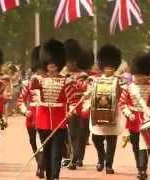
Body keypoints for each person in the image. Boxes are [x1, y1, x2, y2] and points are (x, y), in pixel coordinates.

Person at [30, 39, 75, 180]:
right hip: (43, 120)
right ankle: (49, 176)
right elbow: (32, 95)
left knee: (56, 152)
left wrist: (71, 110)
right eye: (49, 63)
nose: (51, 66)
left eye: (54, 63)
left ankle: (55, 176)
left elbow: (72, 99)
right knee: (47, 151)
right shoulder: (39, 80)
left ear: (58, 64)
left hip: (59, 120)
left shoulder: (66, 80)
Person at [82, 44, 124, 174]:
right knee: (96, 138)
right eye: (106, 67)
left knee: (111, 139)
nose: (109, 69)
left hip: (113, 113)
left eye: (111, 67)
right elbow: (89, 93)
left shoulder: (120, 81)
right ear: (102, 67)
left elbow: (124, 94)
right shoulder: (95, 80)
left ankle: (109, 164)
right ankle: (101, 157)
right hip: (97, 113)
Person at [119, 50, 150, 180]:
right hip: (133, 120)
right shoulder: (128, 88)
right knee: (136, 145)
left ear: (146, 75)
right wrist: (128, 113)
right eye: (137, 75)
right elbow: (122, 104)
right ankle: (139, 166)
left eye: (141, 75)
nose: (139, 78)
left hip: (146, 120)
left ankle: (143, 169)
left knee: (145, 145)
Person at [64, 39, 95, 170]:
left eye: (73, 61)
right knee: (72, 134)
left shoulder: (83, 75)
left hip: (83, 107)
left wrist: (74, 82)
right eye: (69, 61)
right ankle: (73, 157)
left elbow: (85, 88)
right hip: (70, 107)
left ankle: (78, 157)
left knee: (82, 135)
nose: (71, 64)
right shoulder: (64, 74)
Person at [18, 46, 45, 178]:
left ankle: (41, 167)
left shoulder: (48, 81)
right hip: (32, 115)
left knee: (42, 142)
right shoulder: (28, 83)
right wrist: (25, 111)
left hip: (44, 115)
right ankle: (40, 163)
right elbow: (20, 101)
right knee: (33, 142)